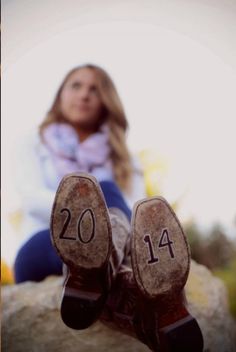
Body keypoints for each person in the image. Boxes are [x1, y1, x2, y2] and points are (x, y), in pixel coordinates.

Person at [14, 64, 203, 351]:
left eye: (95, 89)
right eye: (76, 85)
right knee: (105, 191)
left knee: (112, 198)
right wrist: (86, 205)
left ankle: (103, 274)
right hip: (41, 246)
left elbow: (138, 218)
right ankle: (151, 306)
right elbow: (30, 198)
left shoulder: (124, 157)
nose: (85, 94)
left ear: (106, 100)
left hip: (119, 248)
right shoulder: (34, 140)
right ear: (60, 93)